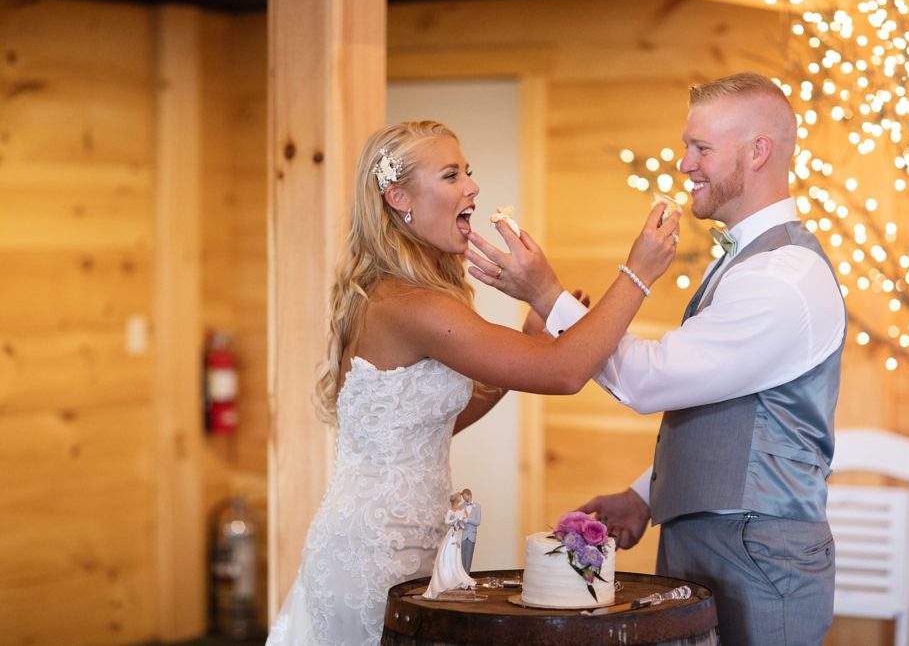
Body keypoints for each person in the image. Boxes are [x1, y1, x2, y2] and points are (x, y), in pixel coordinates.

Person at [266, 120, 681, 646]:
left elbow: (433, 422)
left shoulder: (402, 294)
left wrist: (525, 345)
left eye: (469, 172)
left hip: (420, 546)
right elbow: (565, 371)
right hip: (371, 553)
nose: (473, 187)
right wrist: (637, 274)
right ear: (399, 198)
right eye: (451, 174)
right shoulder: (410, 305)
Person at [467, 73, 847, 645]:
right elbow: (730, 411)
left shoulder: (783, 276)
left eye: (701, 148)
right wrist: (646, 495)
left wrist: (548, 296)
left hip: (759, 551)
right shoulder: (753, 262)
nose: (684, 163)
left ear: (759, 151)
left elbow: (648, 382)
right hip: (721, 538)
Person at [422, 493, 476, 598]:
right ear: (456, 499)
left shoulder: (462, 508)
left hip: (458, 533)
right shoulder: (451, 510)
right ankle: (447, 578)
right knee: (449, 553)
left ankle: (456, 576)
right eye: (459, 497)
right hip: (452, 534)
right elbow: (447, 521)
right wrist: (456, 520)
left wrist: (462, 520)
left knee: (456, 556)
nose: (461, 498)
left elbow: (465, 520)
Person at [459, 488, 481, 573]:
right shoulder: (461, 506)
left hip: (471, 535)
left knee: (468, 557)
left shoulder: (477, 506)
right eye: (463, 497)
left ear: (469, 495)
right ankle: (462, 576)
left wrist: (467, 519)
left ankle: (467, 576)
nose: (464, 499)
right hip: (463, 534)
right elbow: (460, 520)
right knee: (461, 557)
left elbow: (478, 522)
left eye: (465, 497)